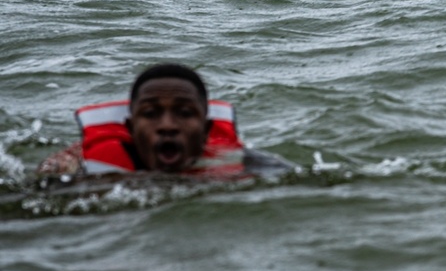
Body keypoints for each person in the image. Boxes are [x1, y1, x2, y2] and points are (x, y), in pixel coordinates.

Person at [36, 62, 290, 180]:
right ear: (131, 128)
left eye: (185, 113)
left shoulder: (255, 168)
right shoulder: (77, 172)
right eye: (150, 113)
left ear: (206, 130)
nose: (167, 125)